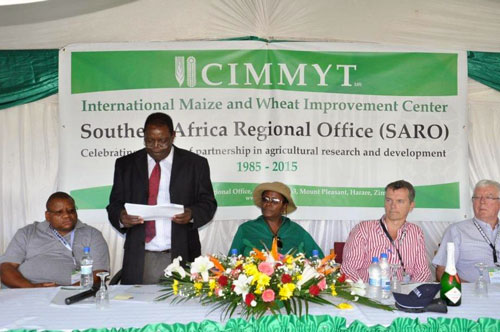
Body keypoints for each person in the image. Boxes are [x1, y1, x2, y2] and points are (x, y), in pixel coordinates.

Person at [107, 112, 217, 284]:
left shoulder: (195, 164)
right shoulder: (126, 164)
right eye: (149, 141)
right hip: (141, 256)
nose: (156, 146)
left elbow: (208, 203)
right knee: (138, 308)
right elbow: (114, 204)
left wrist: (192, 214)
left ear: (173, 136)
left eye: (163, 140)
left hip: (182, 253)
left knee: (183, 308)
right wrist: (121, 217)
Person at [0, 192, 109, 288]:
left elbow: (99, 273)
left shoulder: (92, 234)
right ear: (48, 216)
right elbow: (6, 267)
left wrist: (64, 290)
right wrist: (32, 288)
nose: (67, 216)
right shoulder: (27, 232)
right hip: (27, 289)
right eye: (59, 212)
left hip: (73, 292)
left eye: (71, 211)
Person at [341, 180, 431, 282]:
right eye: (389, 200)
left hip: (404, 294)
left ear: (411, 206)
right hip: (369, 294)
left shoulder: (416, 232)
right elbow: (348, 269)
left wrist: (410, 293)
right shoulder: (363, 229)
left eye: (400, 201)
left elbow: (422, 271)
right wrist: (364, 291)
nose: (393, 206)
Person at [229, 182, 324, 258]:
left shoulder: (297, 231)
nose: (268, 204)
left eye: (275, 201)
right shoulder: (246, 229)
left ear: (284, 206)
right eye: (265, 199)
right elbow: (231, 262)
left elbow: (319, 260)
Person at [433, 179, 500, 282]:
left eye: (489, 197)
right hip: (473, 294)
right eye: (477, 197)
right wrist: (471, 290)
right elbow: (442, 272)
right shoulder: (456, 231)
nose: (482, 201)